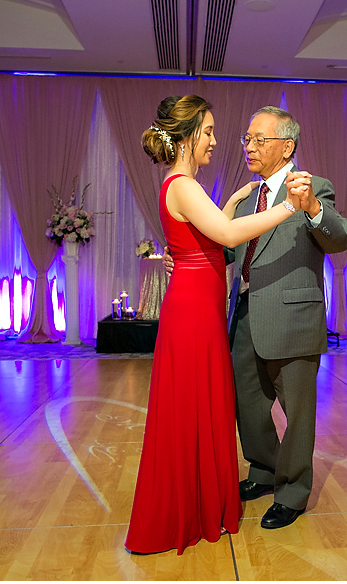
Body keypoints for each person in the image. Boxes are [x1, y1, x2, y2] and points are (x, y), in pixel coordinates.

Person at [125, 95, 307, 555]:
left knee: (198, 406)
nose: (215, 140)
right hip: (192, 314)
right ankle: (192, 508)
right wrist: (289, 206)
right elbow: (225, 237)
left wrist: (230, 201)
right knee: (195, 406)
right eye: (207, 131)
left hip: (196, 307)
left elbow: (203, 238)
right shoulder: (183, 184)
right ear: (186, 137)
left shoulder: (183, 185)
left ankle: (197, 502)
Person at [228, 106, 347, 529]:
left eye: (259, 139)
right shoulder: (249, 195)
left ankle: (294, 492)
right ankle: (263, 471)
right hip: (244, 315)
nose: (250, 146)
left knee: (297, 411)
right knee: (248, 405)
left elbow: (338, 237)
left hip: (292, 317)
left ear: (287, 146)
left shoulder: (313, 187)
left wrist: (313, 206)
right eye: (247, 138)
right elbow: (232, 248)